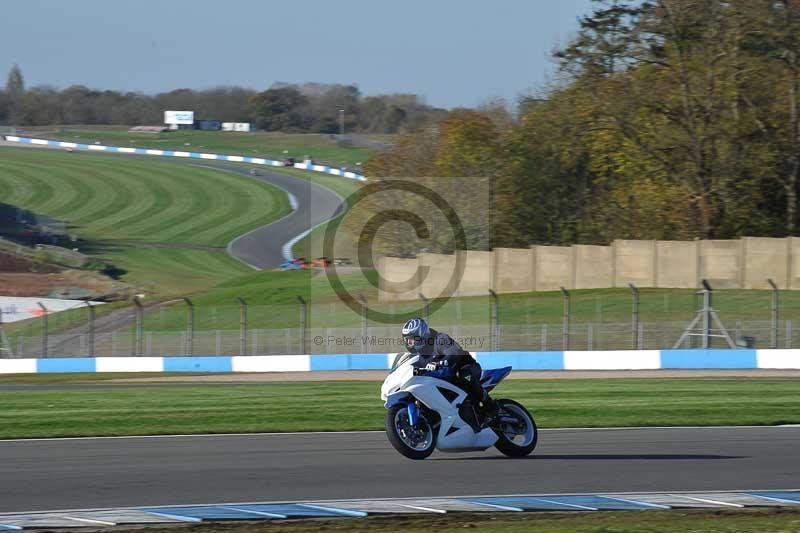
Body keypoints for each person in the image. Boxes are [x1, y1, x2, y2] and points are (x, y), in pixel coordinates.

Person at [401, 317, 495, 426]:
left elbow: (455, 351)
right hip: (443, 380)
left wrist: (441, 362)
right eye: (407, 339)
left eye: (412, 338)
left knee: (463, 376)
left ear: (423, 335)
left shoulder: (439, 339)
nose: (409, 342)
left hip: (466, 367)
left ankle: (490, 406)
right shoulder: (416, 356)